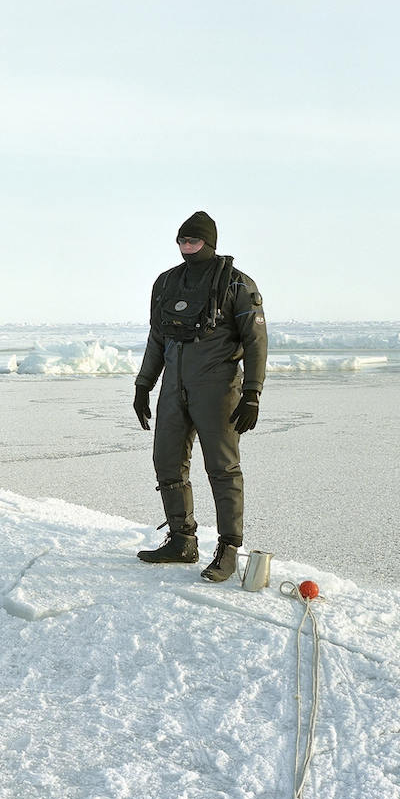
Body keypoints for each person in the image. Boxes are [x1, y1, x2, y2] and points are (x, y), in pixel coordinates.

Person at [133, 211, 268, 582]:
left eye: (192, 241)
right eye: (181, 241)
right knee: (166, 462)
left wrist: (253, 392)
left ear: (209, 243)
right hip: (173, 390)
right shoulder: (166, 283)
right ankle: (182, 540)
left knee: (222, 470)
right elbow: (158, 337)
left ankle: (228, 550)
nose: (186, 248)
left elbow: (256, 342)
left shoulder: (238, 285)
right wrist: (144, 383)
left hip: (218, 389)